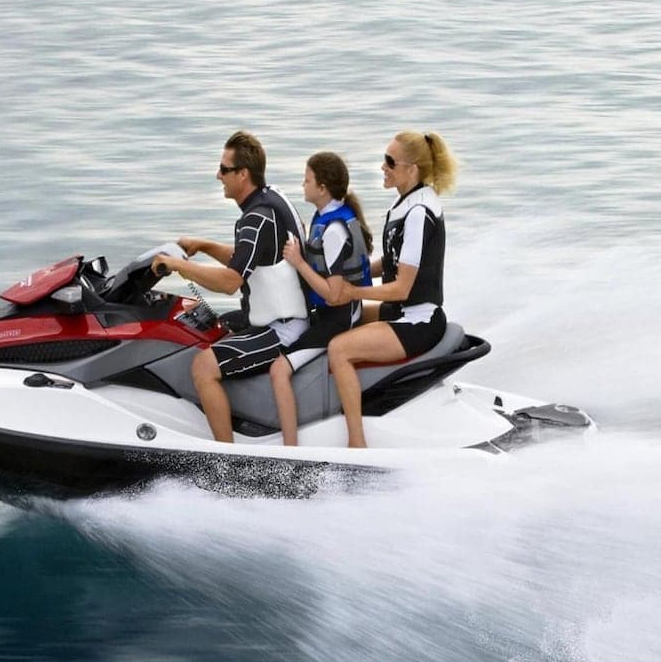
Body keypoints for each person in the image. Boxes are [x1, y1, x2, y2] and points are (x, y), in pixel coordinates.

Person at [154, 131, 309, 442]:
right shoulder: (268, 202)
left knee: (203, 367)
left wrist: (179, 266)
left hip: (283, 328)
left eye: (224, 170)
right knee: (208, 326)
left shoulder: (256, 218)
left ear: (242, 174)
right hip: (274, 317)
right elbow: (249, 258)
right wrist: (205, 245)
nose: (218, 176)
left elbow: (230, 282)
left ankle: (227, 458)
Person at [324, 131, 458, 448]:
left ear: (412, 168)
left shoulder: (418, 212)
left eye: (390, 161)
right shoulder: (407, 202)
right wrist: (350, 275)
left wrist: (352, 291)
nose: (383, 167)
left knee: (338, 350)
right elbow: (394, 261)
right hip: (402, 313)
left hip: (417, 322)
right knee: (341, 318)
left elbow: (401, 288)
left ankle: (356, 443)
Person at [271, 152, 374, 446]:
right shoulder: (327, 217)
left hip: (337, 321)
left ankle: (290, 452)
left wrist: (298, 262)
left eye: (307, 180)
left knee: (279, 369)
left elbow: (334, 294)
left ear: (322, 188)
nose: (302, 185)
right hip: (326, 316)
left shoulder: (334, 231)